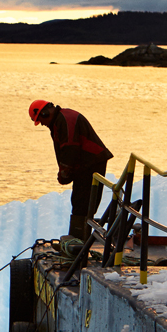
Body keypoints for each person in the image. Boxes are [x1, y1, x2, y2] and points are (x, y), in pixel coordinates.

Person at [29, 100, 114, 247]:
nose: (42, 124)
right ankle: (78, 239)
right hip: (85, 164)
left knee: (84, 202)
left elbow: (70, 148)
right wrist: (66, 172)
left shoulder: (65, 120)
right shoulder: (60, 120)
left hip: (91, 163)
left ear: (44, 113)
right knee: (80, 201)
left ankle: (79, 243)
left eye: (40, 120)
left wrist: (65, 172)